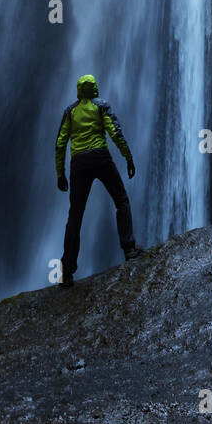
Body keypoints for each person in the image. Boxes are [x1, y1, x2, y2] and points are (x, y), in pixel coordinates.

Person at [55, 73, 142, 287]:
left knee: (75, 215)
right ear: (94, 88)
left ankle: (66, 272)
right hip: (101, 158)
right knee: (120, 200)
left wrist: (60, 174)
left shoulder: (70, 111)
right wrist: (128, 158)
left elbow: (60, 143)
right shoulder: (101, 106)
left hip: (78, 164)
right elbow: (115, 132)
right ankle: (129, 249)